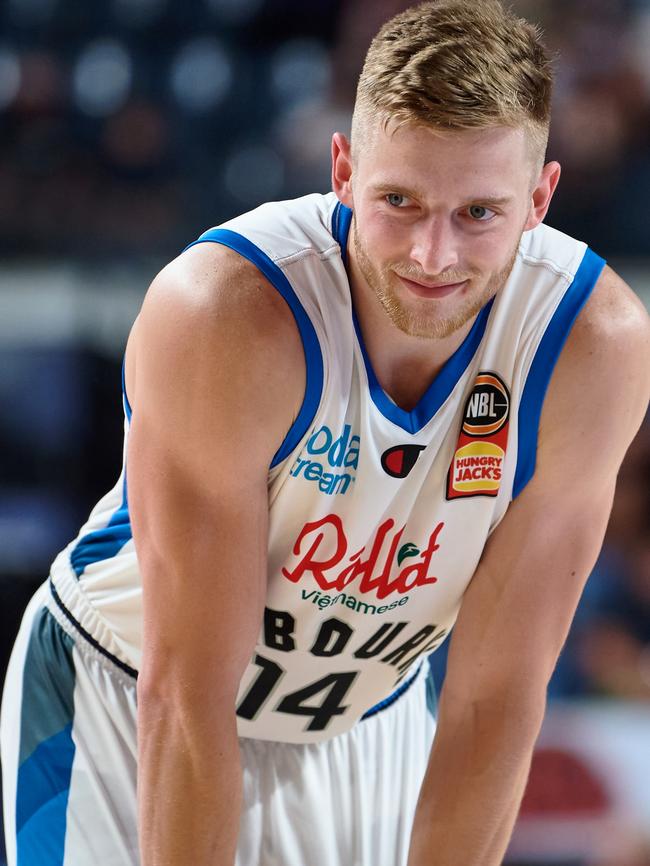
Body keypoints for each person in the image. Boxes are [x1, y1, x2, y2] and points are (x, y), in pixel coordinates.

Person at [2, 1, 649, 865]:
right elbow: (187, 695)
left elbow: (494, 702)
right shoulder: (227, 316)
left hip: (363, 723)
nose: (433, 254)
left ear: (540, 198)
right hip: (126, 697)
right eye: (400, 200)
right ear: (342, 170)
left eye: (479, 214)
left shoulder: (591, 347)